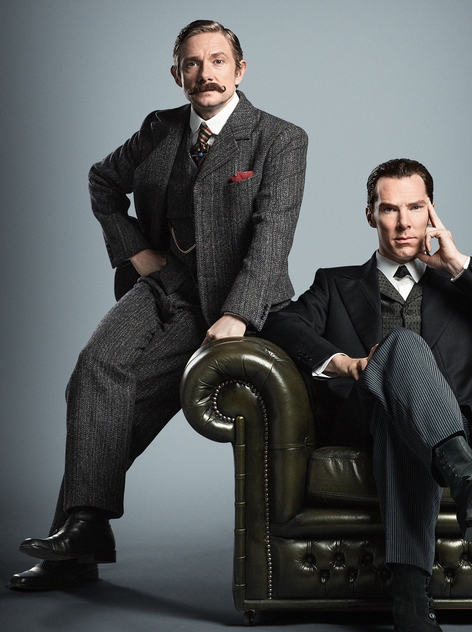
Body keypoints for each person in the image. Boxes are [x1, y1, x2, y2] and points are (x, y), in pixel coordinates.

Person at [9, 20, 307, 592]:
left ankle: (76, 545)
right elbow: (102, 182)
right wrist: (137, 253)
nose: (205, 73)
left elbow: (274, 235)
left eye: (217, 61)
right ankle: (84, 534)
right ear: (177, 74)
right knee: (96, 367)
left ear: (240, 70)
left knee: (128, 405)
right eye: (192, 63)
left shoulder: (279, 139)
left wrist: (238, 313)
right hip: (165, 285)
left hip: (226, 302)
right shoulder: (159, 128)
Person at [260, 158, 472, 632]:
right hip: (362, 420)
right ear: (370, 215)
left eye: (415, 208)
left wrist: (459, 266)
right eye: (389, 209)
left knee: (404, 419)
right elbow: (279, 323)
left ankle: (411, 601)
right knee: (402, 347)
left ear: (431, 212)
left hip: (448, 419)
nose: (403, 223)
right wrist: (344, 363)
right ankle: (462, 473)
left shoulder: (461, 285)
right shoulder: (335, 283)